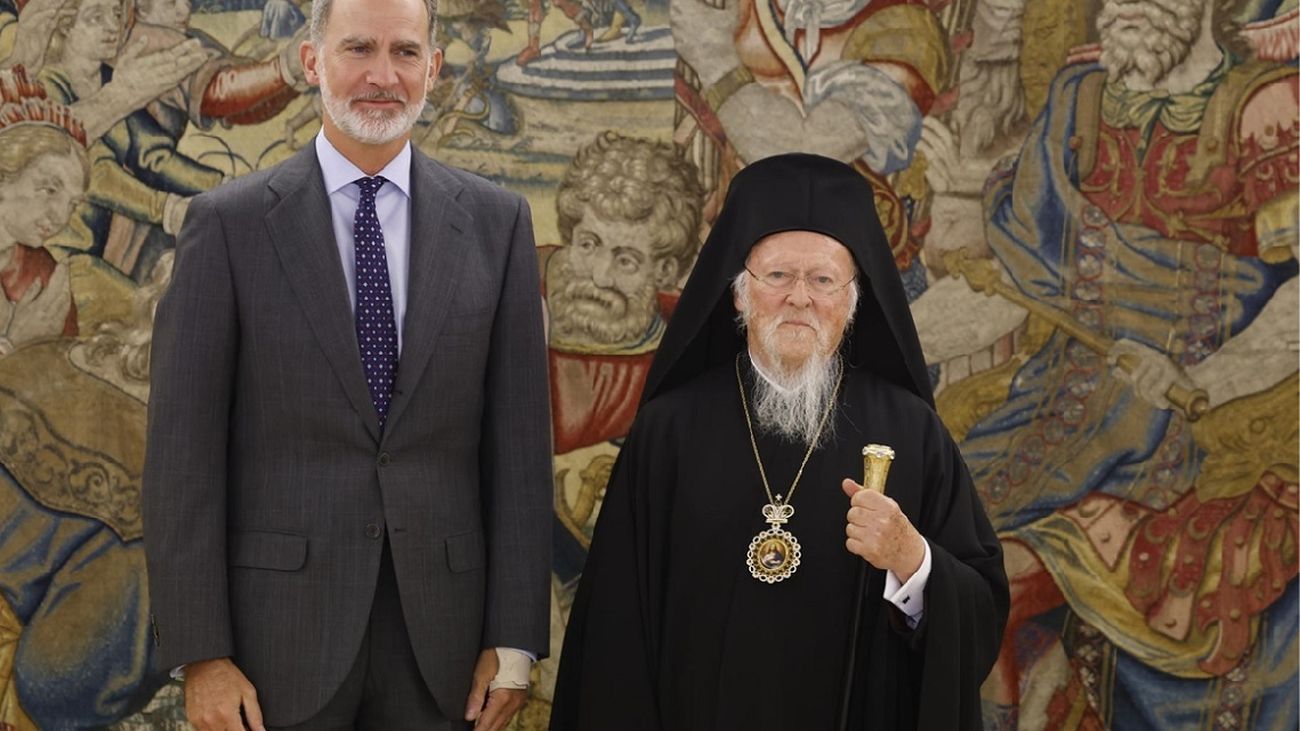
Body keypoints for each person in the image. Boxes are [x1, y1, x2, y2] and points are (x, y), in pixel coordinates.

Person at [141, 0, 552, 729]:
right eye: (358, 48)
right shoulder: (228, 226)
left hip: (446, 648)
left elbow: (520, 449)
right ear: (311, 63)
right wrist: (202, 653)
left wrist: (515, 638)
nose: (382, 75)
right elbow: (182, 460)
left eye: (404, 52)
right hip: (274, 647)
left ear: (434, 67)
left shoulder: (499, 223)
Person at [550, 153, 1008, 730]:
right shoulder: (669, 430)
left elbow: (981, 611)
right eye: (778, 277)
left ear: (853, 298)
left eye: (822, 280)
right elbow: (614, 631)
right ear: (740, 294)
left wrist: (910, 560)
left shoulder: (911, 431)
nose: (800, 298)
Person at [545, 131, 702, 455]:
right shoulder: (517, 296)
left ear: (665, 272)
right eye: (588, 244)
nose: (600, 277)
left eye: (626, 260)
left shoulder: (683, 362)